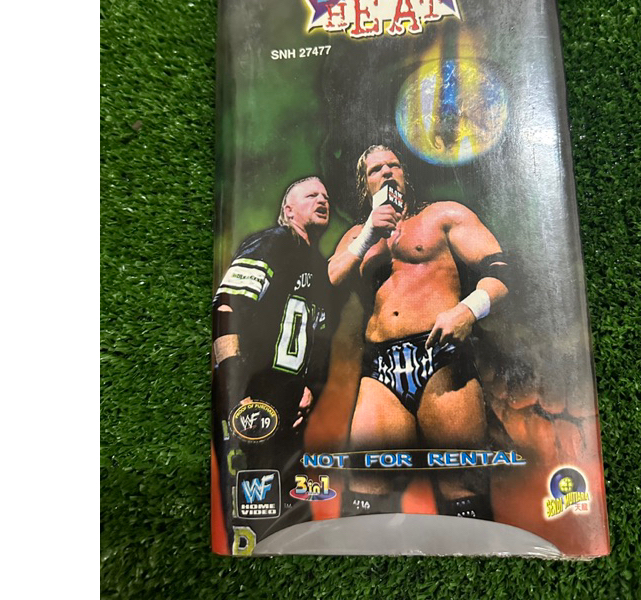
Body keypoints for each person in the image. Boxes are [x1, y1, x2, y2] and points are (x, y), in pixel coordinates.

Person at [328, 145, 510, 520]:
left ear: (404, 174)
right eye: (376, 169)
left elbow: (503, 270)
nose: (387, 172)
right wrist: (369, 233)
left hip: (440, 354)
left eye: (393, 165)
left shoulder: (442, 215)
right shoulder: (356, 237)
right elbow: (329, 279)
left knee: (462, 485)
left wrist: (468, 309)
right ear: (364, 185)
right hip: (381, 367)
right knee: (365, 487)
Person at [212, 176, 333, 553]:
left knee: (288, 510)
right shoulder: (274, 242)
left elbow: (313, 336)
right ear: (288, 210)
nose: (322, 200)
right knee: (249, 507)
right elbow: (227, 307)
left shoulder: (318, 266)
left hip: (288, 401)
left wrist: (308, 388)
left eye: (326, 196)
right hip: (252, 394)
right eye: (311, 195)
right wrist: (234, 387)